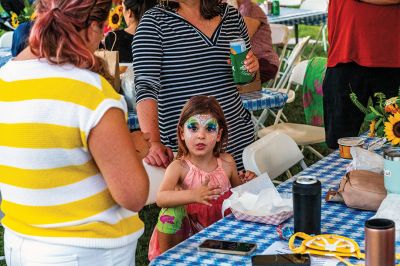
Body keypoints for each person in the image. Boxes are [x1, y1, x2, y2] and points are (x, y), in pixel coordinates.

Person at [0, 0, 150, 265]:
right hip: (86, 251)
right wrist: (133, 149)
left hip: (20, 242)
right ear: (93, 28)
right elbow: (134, 195)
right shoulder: (91, 93)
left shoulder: (5, 80)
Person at [133, 0, 259, 171]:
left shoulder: (232, 17)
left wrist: (251, 68)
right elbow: (146, 87)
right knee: (204, 197)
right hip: (192, 152)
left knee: (249, 197)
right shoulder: (153, 23)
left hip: (237, 140)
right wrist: (154, 142)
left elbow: (245, 78)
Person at [148, 96, 255, 260]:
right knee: (169, 213)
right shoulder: (179, 167)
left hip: (222, 234)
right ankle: (170, 261)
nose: (201, 135)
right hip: (187, 237)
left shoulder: (227, 162)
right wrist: (194, 195)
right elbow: (161, 198)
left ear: (219, 135)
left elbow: (240, 195)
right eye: (193, 128)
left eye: (210, 128)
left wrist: (248, 182)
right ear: (181, 133)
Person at [322, 0, 400, 149]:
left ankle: (393, 173)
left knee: (396, 142)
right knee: (340, 144)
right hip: (346, 56)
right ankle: (348, 173)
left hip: (393, 58)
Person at [232, 0, 279, 83]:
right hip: (247, 62)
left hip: (263, 62)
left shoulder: (250, 9)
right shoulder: (236, 9)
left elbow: (240, 39)